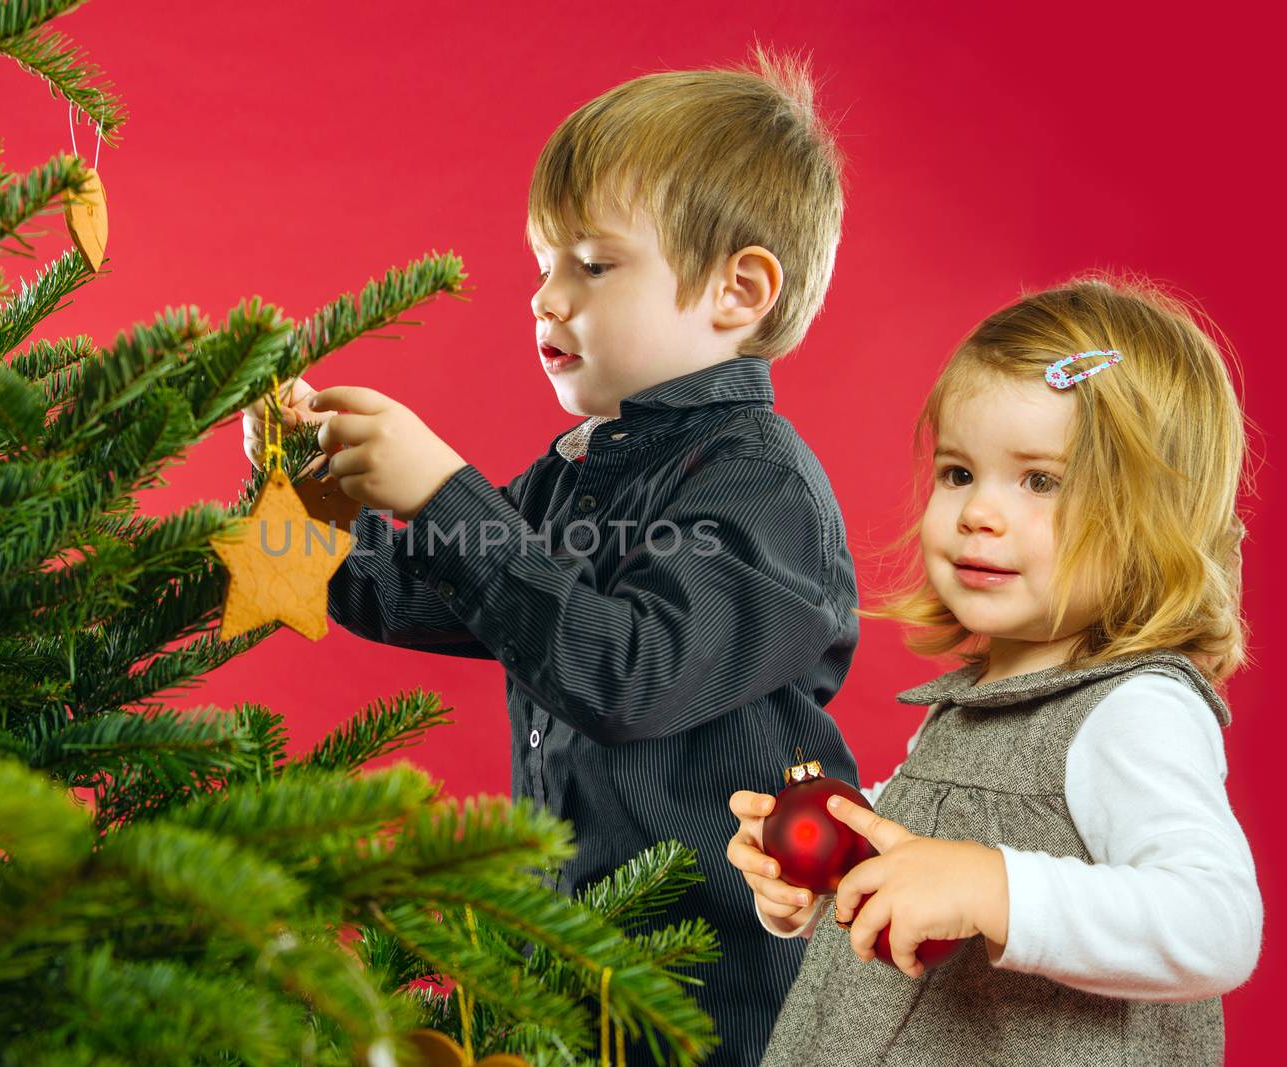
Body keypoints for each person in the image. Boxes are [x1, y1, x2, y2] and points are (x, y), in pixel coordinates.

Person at [243, 54, 858, 1063]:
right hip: (571, 949)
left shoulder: (763, 488)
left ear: (736, 290)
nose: (546, 297)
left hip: (713, 981)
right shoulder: (580, 468)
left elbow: (625, 672)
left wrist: (445, 492)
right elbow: (406, 596)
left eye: (592, 264)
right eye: (541, 264)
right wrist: (300, 488)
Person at [728, 276, 1263, 1064]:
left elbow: (1216, 921)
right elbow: (933, 847)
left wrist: (996, 888)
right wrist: (828, 865)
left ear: (1153, 520)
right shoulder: (976, 700)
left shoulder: (1135, 709)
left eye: (1040, 480)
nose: (979, 511)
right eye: (958, 473)